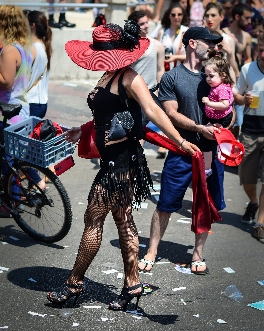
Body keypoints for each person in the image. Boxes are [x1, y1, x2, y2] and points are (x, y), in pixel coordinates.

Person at [47, 21, 198, 309]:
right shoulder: (110, 74)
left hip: (121, 164)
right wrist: (84, 128)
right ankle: (132, 284)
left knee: (93, 219)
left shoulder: (130, 78)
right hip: (114, 161)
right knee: (123, 220)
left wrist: (179, 141)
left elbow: (153, 110)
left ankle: (74, 284)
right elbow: (109, 114)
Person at [138, 27, 226, 275]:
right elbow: (170, 114)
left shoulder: (215, 74)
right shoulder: (172, 77)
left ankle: (198, 253)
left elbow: (228, 106)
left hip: (210, 150)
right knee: (165, 203)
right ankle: (152, 250)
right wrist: (199, 127)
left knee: (206, 205)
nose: (213, 47)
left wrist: (224, 123)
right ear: (192, 43)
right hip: (181, 149)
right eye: (209, 42)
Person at [0, 5, 45, 217]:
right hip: (21, 108)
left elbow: (6, 82)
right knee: (13, 159)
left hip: (8, 111)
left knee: (8, 161)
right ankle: (20, 194)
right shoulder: (25, 47)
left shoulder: (9, 49)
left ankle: (13, 202)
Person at [234, 34, 264, 242]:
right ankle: (253, 201)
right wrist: (244, 99)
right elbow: (235, 94)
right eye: (260, 49)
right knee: (246, 175)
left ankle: (260, 223)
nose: (262, 54)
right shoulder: (247, 69)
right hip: (251, 129)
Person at [202, 50, 234, 176]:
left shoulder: (221, 89)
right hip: (216, 118)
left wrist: (209, 103)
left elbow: (224, 105)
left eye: (211, 76)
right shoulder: (218, 86)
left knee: (208, 144)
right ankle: (209, 165)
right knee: (210, 143)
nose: (208, 79)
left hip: (221, 118)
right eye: (206, 76)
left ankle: (207, 168)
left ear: (223, 75)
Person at [223, 3, 252, 138]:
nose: (249, 21)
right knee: (225, 116)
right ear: (237, 16)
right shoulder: (224, 34)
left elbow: (249, 58)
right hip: (225, 79)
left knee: (237, 120)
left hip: (240, 79)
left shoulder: (246, 36)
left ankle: (232, 147)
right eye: (247, 18)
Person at [25, 11, 52, 119]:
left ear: (32, 25)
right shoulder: (45, 46)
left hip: (31, 102)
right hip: (41, 102)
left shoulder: (31, 48)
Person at [128, 11, 165, 88]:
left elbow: (160, 70)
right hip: (131, 93)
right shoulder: (128, 46)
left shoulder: (157, 45)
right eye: (142, 24)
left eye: (147, 22)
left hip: (152, 91)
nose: (146, 26)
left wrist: (160, 91)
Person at [203, 2, 239, 78]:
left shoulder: (228, 40)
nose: (209, 19)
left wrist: (229, 54)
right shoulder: (201, 39)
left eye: (213, 15)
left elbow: (235, 72)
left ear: (221, 17)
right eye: (207, 15)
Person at [157, 3, 188, 70]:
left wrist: (175, 57)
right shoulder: (162, 32)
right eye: (173, 15)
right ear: (169, 16)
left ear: (183, 15)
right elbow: (156, 53)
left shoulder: (186, 31)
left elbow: (191, 56)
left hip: (181, 71)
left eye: (179, 14)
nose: (176, 17)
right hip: (164, 71)